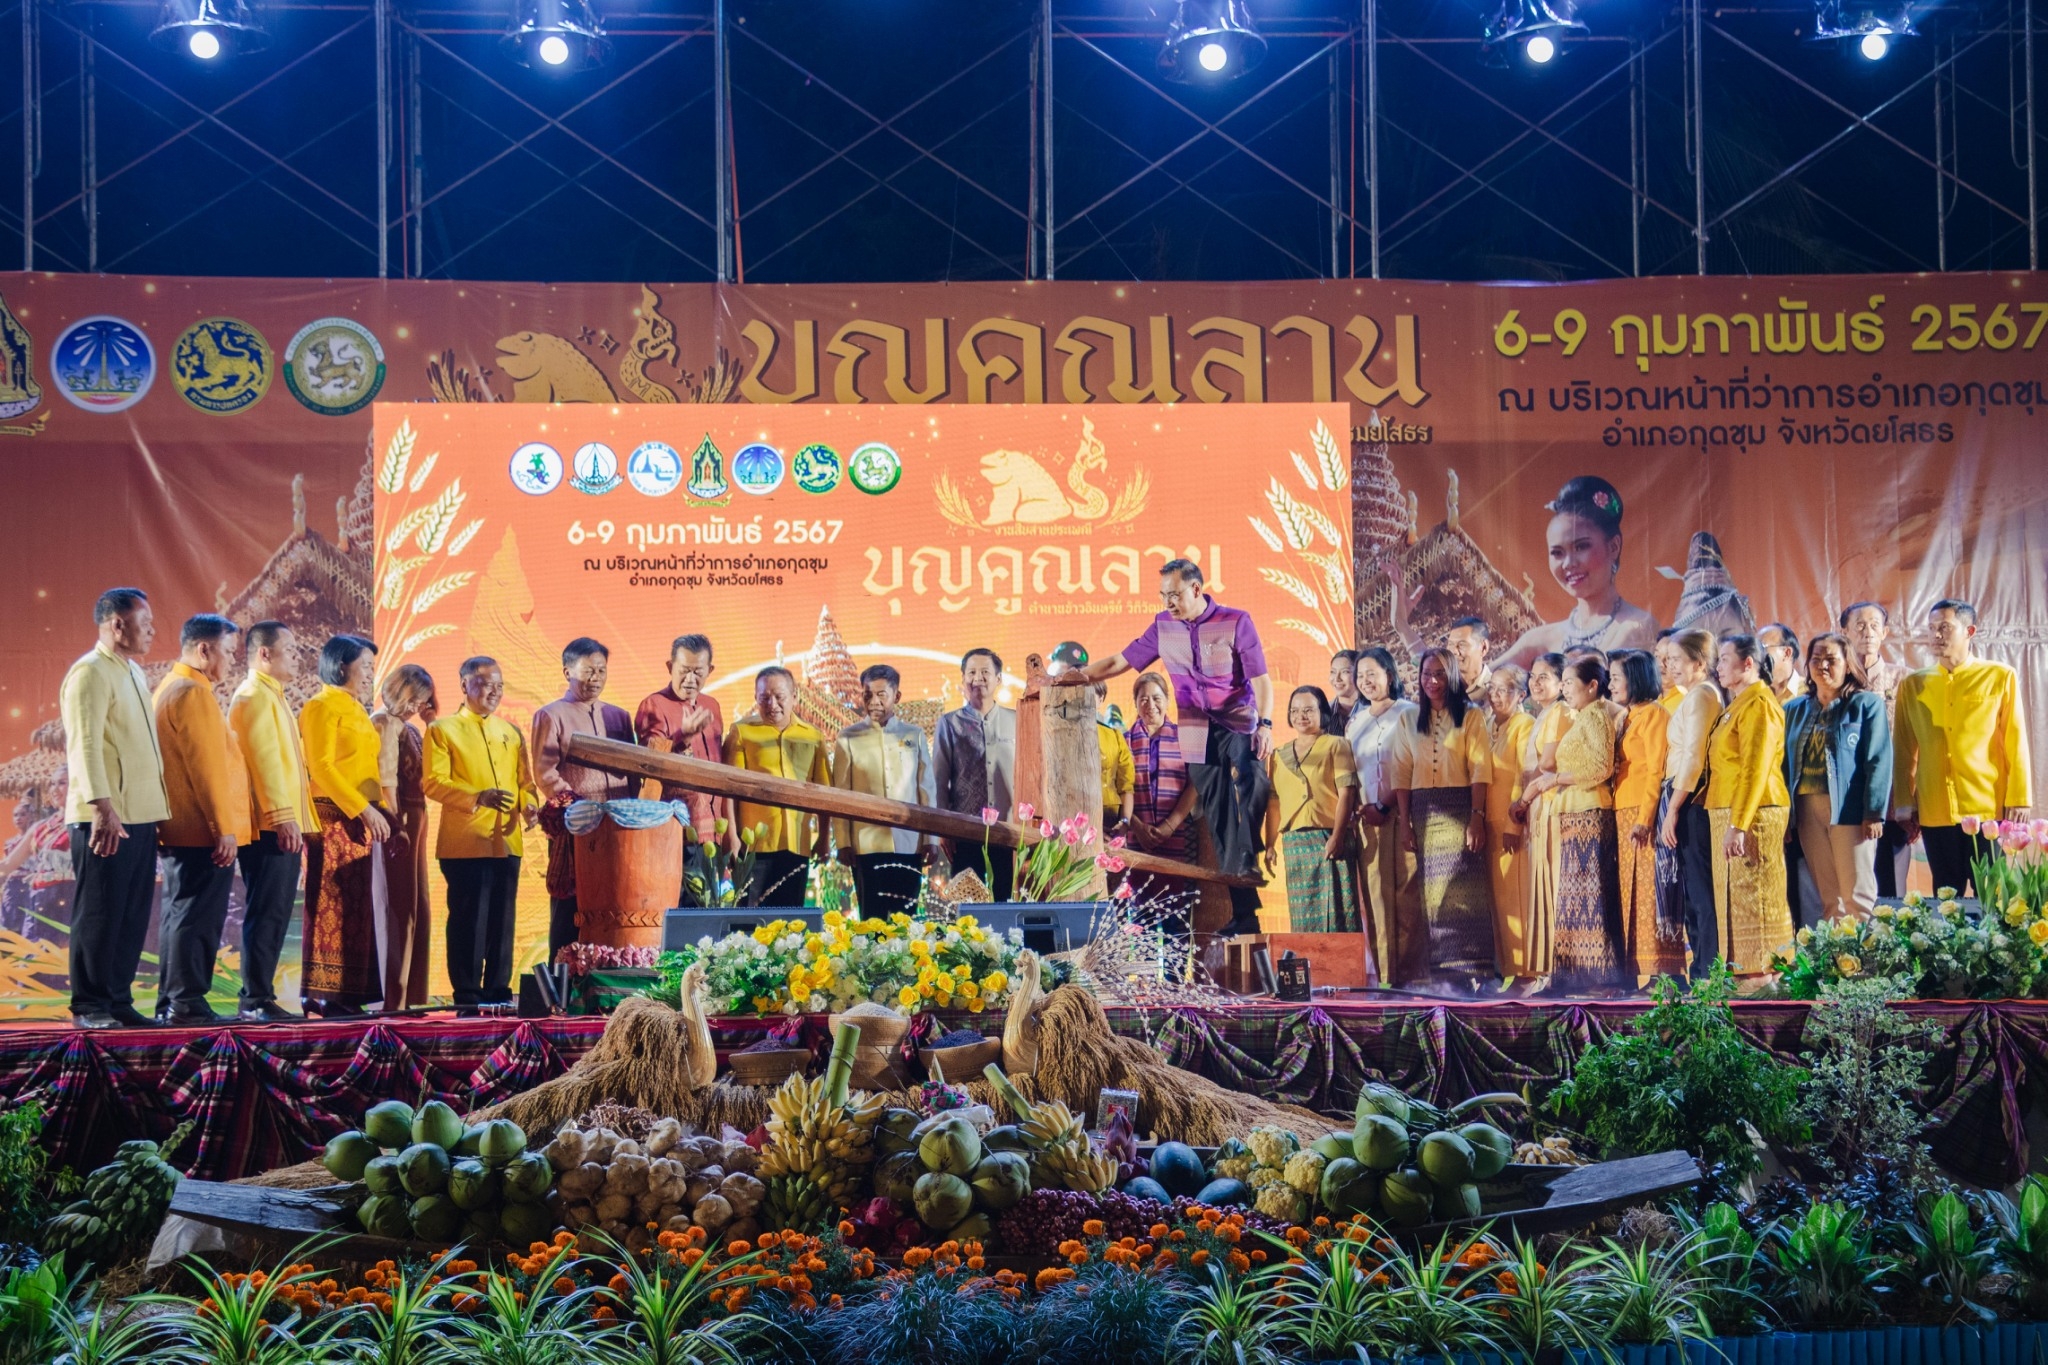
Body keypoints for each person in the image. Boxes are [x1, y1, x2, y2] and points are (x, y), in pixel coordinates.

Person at [1055, 558, 1274, 933]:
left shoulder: (1237, 621)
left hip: (1239, 721)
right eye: (1163, 595)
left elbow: (1262, 679)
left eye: (1174, 594)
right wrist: (1066, 678)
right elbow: (1118, 662)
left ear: (1195, 589)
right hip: (1196, 729)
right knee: (1221, 819)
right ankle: (1244, 912)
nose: (1168, 601)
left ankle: (1248, 857)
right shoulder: (1163, 626)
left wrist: (1266, 723)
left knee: (1252, 785)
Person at [60, 588, 170, 1029]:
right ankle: (89, 1004)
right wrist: (102, 808)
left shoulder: (134, 672)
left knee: (131, 911)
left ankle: (118, 1000)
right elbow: (84, 745)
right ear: (117, 625)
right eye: (145, 624)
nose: (152, 632)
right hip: (105, 814)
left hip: (140, 813)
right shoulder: (89, 673)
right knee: (100, 909)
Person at [423, 656, 539, 1014]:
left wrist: (530, 804)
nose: (495, 690)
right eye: (487, 682)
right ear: (464, 685)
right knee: (468, 920)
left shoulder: (511, 732)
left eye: (500, 684)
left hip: (506, 839)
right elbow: (433, 782)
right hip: (465, 842)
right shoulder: (442, 730)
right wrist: (477, 798)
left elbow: (526, 782)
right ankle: (468, 996)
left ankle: (499, 992)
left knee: (503, 920)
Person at [1893, 600, 2032, 896]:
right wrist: (1905, 803)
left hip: (1985, 807)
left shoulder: (1999, 676)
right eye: (1931, 629)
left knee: (1993, 895)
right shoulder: (1913, 684)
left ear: (1969, 631)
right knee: (1946, 895)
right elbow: (1904, 749)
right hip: (1935, 808)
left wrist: (2019, 798)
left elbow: (2015, 740)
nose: (1936, 635)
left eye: (1945, 627)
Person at [150, 615, 251, 1024]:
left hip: (179, 826)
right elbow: (206, 770)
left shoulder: (169, 686)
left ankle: (172, 1001)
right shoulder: (192, 692)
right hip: (198, 828)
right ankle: (187, 1002)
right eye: (228, 651)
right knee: (197, 918)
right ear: (204, 649)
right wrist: (221, 828)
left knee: (180, 914)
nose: (231, 661)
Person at [298, 635, 391, 1016]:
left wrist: (382, 813)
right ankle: (324, 995)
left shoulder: (355, 709)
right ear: (341, 667)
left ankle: (349, 994)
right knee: (329, 906)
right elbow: (321, 766)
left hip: (358, 818)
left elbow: (366, 770)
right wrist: (363, 810)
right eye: (364, 666)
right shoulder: (321, 706)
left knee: (355, 909)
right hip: (331, 815)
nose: (370, 674)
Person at [1391, 647, 1493, 985]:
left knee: (1463, 892)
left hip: (1461, 807)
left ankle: (1473, 973)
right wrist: (1405, 822)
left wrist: (1477, 816)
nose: (1431, 681)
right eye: (1426, 674)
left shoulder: (1471, 715)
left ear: (1450, 676)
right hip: (1423, 810)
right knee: (1433, 896)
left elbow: (1480, 768)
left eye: (1438, 674)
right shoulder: (1408, 719)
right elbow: (1401, 774)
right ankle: (1445, 975)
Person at [229, 620, 315, 1022]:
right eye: (291, 649)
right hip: (268, 826)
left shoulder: (272, 696)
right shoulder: (253, 697)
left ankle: (260, 996)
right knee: (266, 911)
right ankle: (254, 999)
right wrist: (282, 818)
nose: (298, 657)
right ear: (264, 654)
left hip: (279, 823)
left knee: (276, 911)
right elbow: (263, 766)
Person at [1523, 656, 1624, 993]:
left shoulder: (1596, 715)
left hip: (1590, 813)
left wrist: (1554, 779)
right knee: (1574, 900)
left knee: (1590, 898)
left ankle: (1600, 979)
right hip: (1575, 814)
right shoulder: (1583, 717)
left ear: (1592, 685)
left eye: (1568, 682)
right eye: (1562, 682)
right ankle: (1573, 976)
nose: (1564, 688)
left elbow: (1600, 768)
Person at [532, 638, 638, 958]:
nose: (596, 677)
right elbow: (544, 772)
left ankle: (605, 977)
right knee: (569, 907)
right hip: (574, 827)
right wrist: (580, 809)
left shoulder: (619, 717)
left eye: (602, 670)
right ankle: (562, 986)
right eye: (588, 670)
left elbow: (632, 772)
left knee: (613, 904)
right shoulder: (550, 715)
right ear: (567, 671)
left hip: (616, 826)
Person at [1783, 632, 1891, 921]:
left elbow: (1878, 760)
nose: (1823, 666)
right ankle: (1839, 962)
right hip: (1807, 811)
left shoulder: (1866, 705)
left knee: (1858, 896)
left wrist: (1874, 812)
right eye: (1816, 659)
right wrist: (1787, 818)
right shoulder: (1793, 709)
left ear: (1848, 665)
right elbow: (1782, 764)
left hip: (1850, 810)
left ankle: (1866, 964)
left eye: (1831, 659)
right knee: (1829, 898)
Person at [1500, 476, 1661, 669]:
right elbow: (1476, 687)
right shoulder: (1540, 639)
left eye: (1581, 547)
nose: (1568, 563)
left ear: (1613, 547)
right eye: (1557, 553)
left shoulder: (1638, 626)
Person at [1702, 635, 1793, 976]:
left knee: (1756, 894)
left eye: (1725, 659)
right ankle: (1742, 973)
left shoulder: (1759, 704)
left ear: (1749, 664)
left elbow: (1754, 769)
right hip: (1727, 809)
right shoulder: (1738, 703)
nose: (1718, 666)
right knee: (1734, 896)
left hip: (1753, 813)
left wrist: (1739, 824)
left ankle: (1765, 974)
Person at [832, 664, 937, 917]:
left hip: (908, 843)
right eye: (868, 694)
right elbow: (840, 795)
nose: (874, 701)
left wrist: (931, 839)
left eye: (882, 694)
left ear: (896, 697)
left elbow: (926, 790)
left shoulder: (915, 735)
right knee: (871, 921)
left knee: (906, 919)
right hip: (865, 845)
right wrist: (844, 842)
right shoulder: (848, 738)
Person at [726, 665, 831, 907]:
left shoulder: (812, 736)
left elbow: (825, 794)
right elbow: (729, 789)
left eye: (779, 697)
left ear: (794, 697)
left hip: (797, 842)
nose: (772, 704)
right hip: (753, 845)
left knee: (790, 922)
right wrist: (731, 835)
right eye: (764, 698)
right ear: (756, 698)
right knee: (750, 922)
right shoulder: (742, 733)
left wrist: (824, 837)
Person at [1346, 647, 1418, 984]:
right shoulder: (1355, 722)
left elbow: (1413, 767)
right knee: (1375, 897)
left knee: (1408, 894)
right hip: (1367, 822)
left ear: (1390, 675)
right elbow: (1350, 773)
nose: (1365, 681)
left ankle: (1414, 976)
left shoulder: (1411, 713)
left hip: (1404, 815)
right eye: (1360, 676)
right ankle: (1386, 977)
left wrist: (1385, 805)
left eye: (1372, 673)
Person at [1263, 686, 1361, 933]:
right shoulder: (1278, 755)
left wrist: (1338, 836)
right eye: (1294, 710)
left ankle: (1343, 972)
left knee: (1338, 914)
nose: (1301, 716)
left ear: (1322, 712)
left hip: (1329, 838)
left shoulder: (1337, 745)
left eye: (1308, 710)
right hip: (1295, 844)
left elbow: (1347, 793)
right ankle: (1308, 970)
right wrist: (1270, 844)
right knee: (1303, 918)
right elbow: (1274, 803)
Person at [1656, 629, 1724, 979]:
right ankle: (1700, 966)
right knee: (1690, 890)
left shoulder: (1701, 696)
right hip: (1682, 797)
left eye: (1678, 659)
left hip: (1692, 800)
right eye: (1668, 660)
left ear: (1699, 662)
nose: (1670, 666)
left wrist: (1674, 810)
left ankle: (1708, 971)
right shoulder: (1692, 695)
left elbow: (1695, 757)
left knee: (1700, 890)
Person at [370, 664, 437, 1010]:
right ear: (397, 690)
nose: (416, 706)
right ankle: (393, 997)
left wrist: (431, 722)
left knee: (417, 906)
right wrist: (395, 824)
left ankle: (414, 995)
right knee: (397, 907)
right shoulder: (383, 723)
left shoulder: (407, 727)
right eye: (413, 698)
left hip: (417, 816)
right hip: (399, 819)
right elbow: (386, 781)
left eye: (422, 700)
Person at [1611, 650, 1678, 981]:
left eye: (1617, 677)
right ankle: (1637, 970)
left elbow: (1655, 771)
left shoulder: (1655, 715)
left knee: (1650, 892)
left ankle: (1660, 973)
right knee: (1630, 896)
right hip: (1621, 811)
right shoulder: (1626, 716)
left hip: (1642, 814)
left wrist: (1644, 818)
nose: (1611, 684)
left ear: (1635, 678)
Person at [933, 648, 1018, 899]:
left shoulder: (1017, 720)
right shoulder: (949, 724)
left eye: (985, 672)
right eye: (971, 672)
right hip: (965, 830)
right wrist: (944, 828)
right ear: (963, 680)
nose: (977, 678)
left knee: (1007, 900)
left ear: (998, 679)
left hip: (1009, 830)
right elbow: (939, 780)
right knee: (967, 908)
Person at [635, 634, 733, 852]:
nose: (690, 679)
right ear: (670, 667)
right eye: (684, 670)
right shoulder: (654, 705)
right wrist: (683, 738)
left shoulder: (712, 706)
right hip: (676, 832)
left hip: (716, 829)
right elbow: (649, 764)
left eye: (698, 672)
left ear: (710, 670)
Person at [1840, 601, 1910, 897]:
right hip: (1845, 801)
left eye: (1873, 626)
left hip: (1891, 800)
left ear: (1885, 632)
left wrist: (1911, 805)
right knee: (1848, 885)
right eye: (1858, 625)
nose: (1866, 632)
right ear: (1844, 631)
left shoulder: (1904, 679)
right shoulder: (1835, 679)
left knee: (1891, 887)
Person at [1509, 653, 1570, 990]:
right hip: (1536, 805)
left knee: (1548, 887)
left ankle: (1547, 970)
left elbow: (1548, 764)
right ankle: (1539, 969)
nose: (1535, 682)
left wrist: (1524, 798)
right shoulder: (1543, 713)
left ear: (1562, 684)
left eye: (1544, 676)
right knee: (1538, 888)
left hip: (1548, 804)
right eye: (1533, 675)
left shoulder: (1560, 712)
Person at [1127, 671, 1199, 906]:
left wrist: (1169, 826)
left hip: (1177, 836)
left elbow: (1195, 784)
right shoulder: (1124, 740)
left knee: (1175, 915)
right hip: (1135, 839)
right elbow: (1118, 790)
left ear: (1167, 701)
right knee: (1138, 915)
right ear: (1136, 703)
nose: (1150, 705)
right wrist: (1137, 827)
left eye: (1156, 698)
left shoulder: (1185, 738)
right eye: (1143, 699)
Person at [1482, 666, 1535, 983]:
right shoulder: (1487, 725)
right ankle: (1507, 972)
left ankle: (1527, 975)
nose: (1495, 695)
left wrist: (1514, 826)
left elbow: (1523, 776)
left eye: (1504, 689)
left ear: (1521, 695)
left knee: (1515, 899)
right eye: (1492, 688)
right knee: (1497, 904)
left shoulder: (1524, 724)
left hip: (1511, 824)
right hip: (1487, 824)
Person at [1093, 682, 1136, 832]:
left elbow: (1126, 787)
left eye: (1090, 693)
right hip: (1073, 819)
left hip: (1111, 819)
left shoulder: (1115, 736)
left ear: (1101, 699)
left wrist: (1124, 821)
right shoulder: (1062, 734)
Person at [1447, 618, 1494, 701]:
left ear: (1483, 648)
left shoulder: (1498, 692)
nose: (1454, 651)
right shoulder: (1441, 684)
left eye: (1462, 645)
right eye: (1450, 644)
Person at [1327, 650, 1363, 734]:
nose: (1337, 679)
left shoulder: (1372, 711)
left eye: (1345, 672)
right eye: (1333, 672)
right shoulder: (1323, 712)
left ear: (1359, 674)